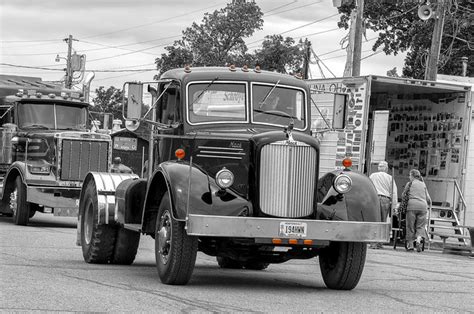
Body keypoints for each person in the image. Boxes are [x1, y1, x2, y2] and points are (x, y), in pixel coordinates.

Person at [369, 161, 398, 249]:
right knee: (382, 221)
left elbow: (368, 187)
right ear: (386, 168)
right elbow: (393, 192)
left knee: (374, 220)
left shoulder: (372, 176)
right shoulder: (390, 177)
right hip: (385, 199)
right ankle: (379, 243)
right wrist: (394, 206)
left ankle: (373, 243)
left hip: (374, 198)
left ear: (378, 168)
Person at [401, 169, 431, 252]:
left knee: (410, 226)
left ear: (412, 176)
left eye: (409, 175)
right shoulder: (423, 184)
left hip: (412, 207)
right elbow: (428, 198)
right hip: (423, 207)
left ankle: (410, 245)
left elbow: (404, 195)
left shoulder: (410, 184)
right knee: (420, 226)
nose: (409, 177)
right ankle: (418, 239)